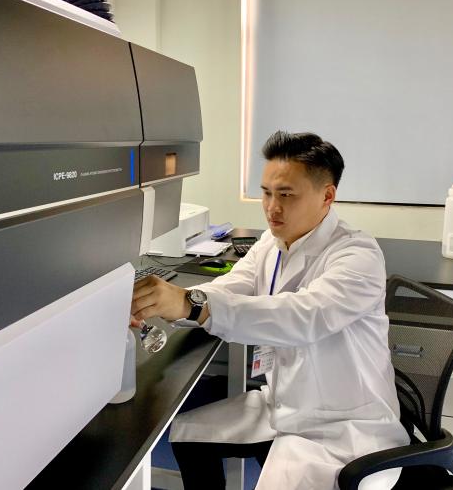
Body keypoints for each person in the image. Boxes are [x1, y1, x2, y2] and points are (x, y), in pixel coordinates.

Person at [131, 131, 408, 489]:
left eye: (286, 195)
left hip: (342, 427)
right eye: (266, 193)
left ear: (327, 196)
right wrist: (172, 300)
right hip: (283, 403)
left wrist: (193, 305)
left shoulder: (357, 256)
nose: (272, 207)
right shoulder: (272, 243)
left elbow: (303, 316)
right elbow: (229, 287)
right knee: (187, 432)